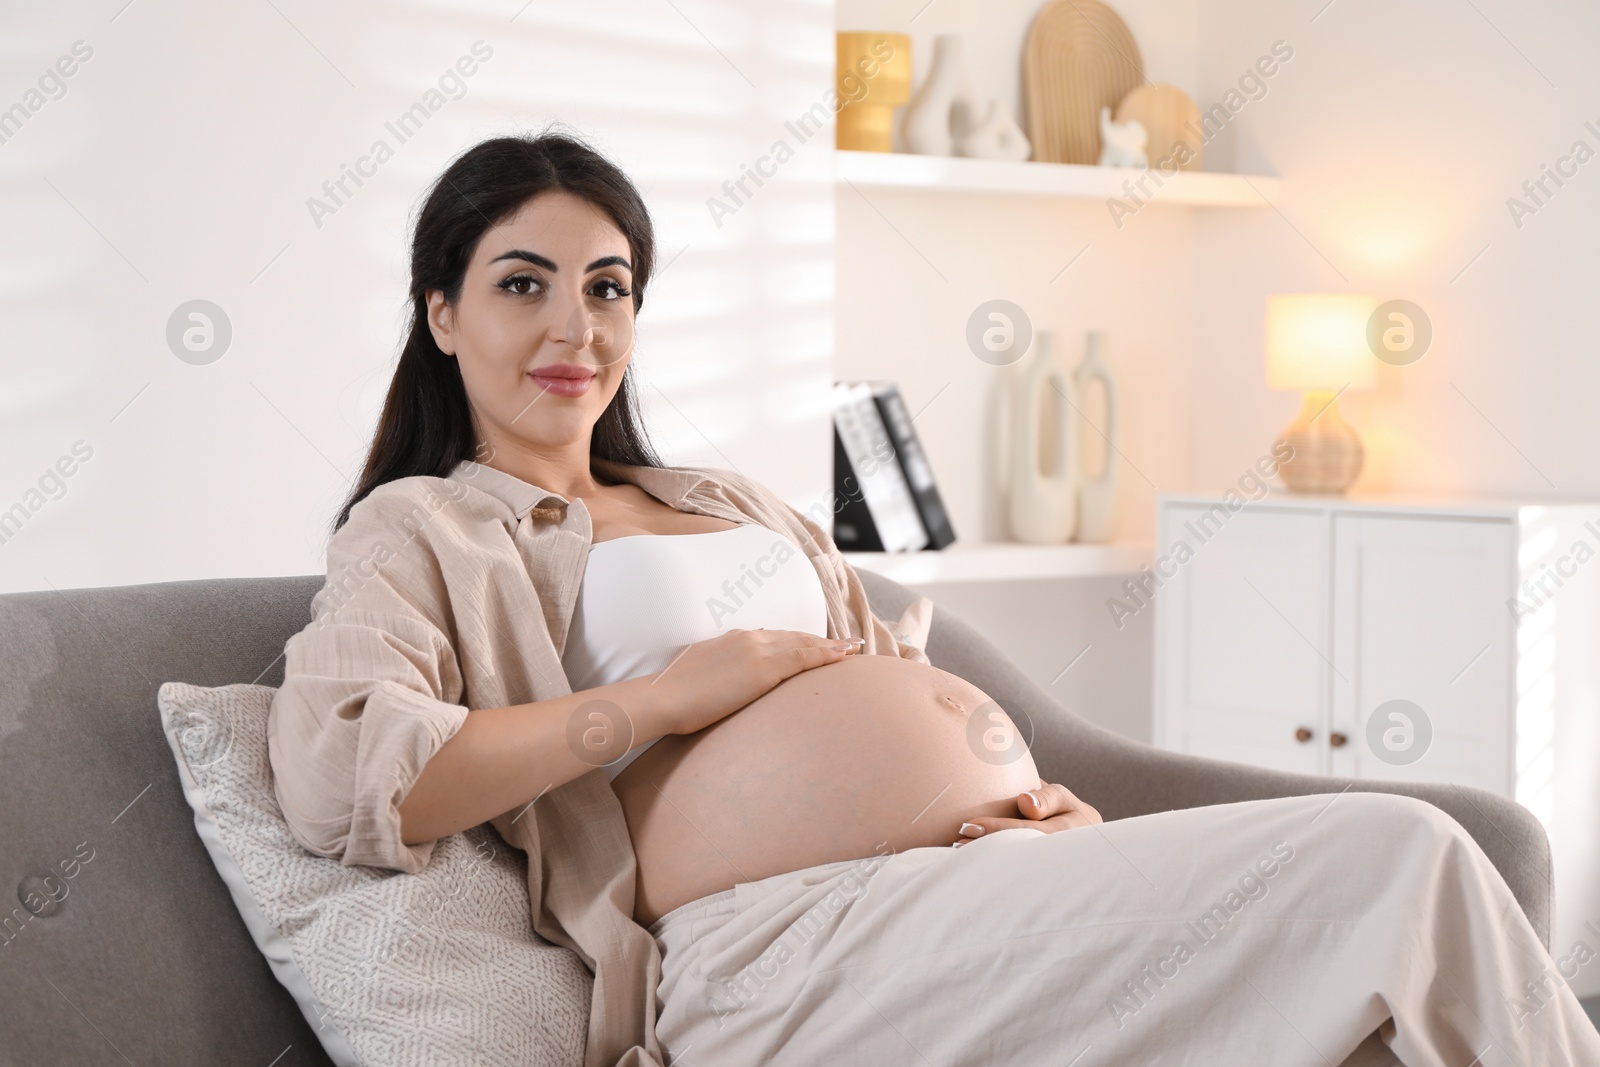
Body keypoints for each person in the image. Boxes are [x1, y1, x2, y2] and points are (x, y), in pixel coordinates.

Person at [267, 132, 1600, 1066]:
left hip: (976, 891)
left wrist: (1007, 803)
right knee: (1402, 856)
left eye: (608, 287)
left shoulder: (726, 498)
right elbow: (345, 776)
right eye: (522, 285)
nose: (577, 329)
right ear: (440, 313)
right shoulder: (427, 528)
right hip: (779, 962)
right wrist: (658, 700)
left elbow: (868, 689)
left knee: (1371, 1028)